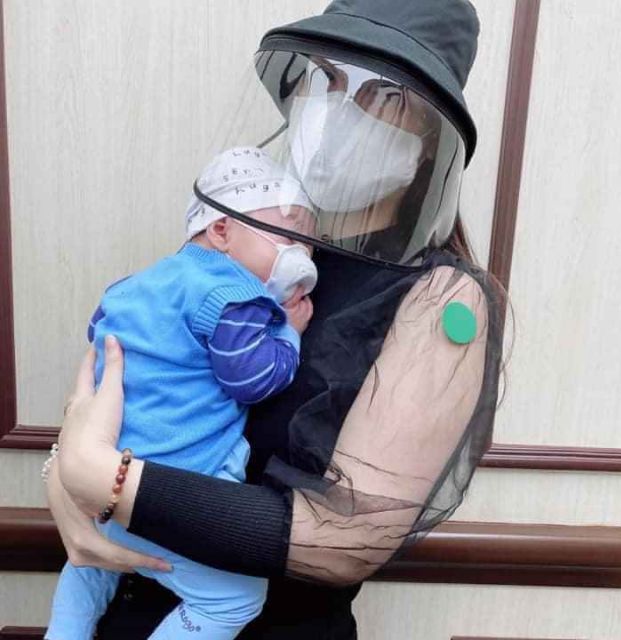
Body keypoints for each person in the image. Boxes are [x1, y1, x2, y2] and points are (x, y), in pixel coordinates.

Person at [48, 1, 504, 638]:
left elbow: (347, 537)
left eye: (382, 95)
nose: (337, 109)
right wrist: (63, 477)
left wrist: (108, 481)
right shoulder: (255, 249)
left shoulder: (442, 301)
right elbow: (127, 376)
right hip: (119, 608)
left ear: (430, 137)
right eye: (328, 78)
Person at [45, 147, 318, 640]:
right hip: (165, 494)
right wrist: (288, 333)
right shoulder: (237, 296)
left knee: (89, 569)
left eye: (308, 244)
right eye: (288, 237)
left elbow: (98, 334)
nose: (302, 256)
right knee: (235, 599)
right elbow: (253, 380)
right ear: (221, 230)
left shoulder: (133, 286)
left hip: (98, 480)